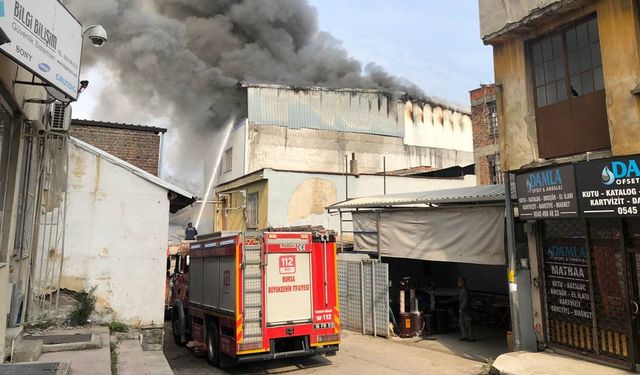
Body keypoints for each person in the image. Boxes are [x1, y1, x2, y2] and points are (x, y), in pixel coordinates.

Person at [458, 277, 475, 342]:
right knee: (462, 323)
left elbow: (466, 301)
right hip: (463, 309)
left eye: (460, 281)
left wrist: (462, 308)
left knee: (468, 324)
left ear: (463, 282)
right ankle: (465, 336)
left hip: (466, 310)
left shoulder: (465, 290)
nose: (458, 283)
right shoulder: (462, 290)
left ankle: (471, 337)